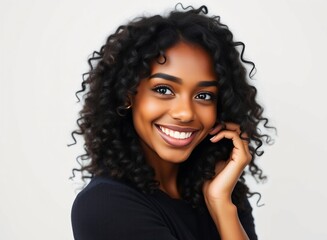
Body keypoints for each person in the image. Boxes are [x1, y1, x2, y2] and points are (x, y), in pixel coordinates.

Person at [71, 4, 272, 240]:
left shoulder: (219, 191)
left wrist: (221, 205)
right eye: (164, 89)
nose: (185, 113)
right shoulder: (105, 206)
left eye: (204, 95)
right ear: (128, 95)